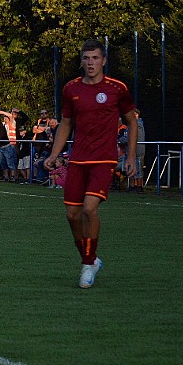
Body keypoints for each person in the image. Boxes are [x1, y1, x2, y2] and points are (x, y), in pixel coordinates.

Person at [44, 38, 138, 289]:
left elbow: (131, 121)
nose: (90, 63)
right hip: (77, 159)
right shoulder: (71, 89)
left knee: (88, 209)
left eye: (95, 58)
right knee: (72, 215)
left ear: (104, 60)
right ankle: (91, 259)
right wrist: (54, 155)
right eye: (86, 58)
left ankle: (87, 264)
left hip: (104, 159)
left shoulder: (117, 88)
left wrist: (130, 157)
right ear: (81, 62)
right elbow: (65, 124)